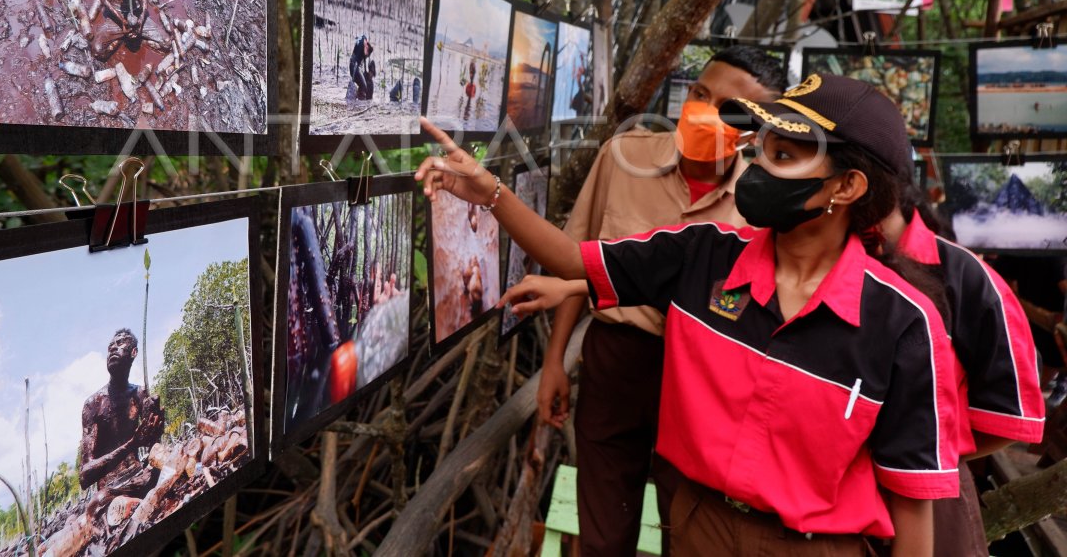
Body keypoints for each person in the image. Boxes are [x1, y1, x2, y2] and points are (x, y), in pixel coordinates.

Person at [417, 73, 961, 556]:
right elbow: (570, 258)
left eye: (787, 156)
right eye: (761, 147)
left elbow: (913, 500)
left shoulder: (904, 324)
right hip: (698, 529)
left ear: (846, 186)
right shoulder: (702, 254)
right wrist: (490, 192)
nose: (758, 166)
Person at [539, 45, 785, 556]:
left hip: (708, 380)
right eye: (699, 93)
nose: (703, 110)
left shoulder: (765, 202)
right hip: (617, 359)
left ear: (755, 128)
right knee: (604, 529)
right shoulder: (624, 157)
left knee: (690, 526)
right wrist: (555, 360)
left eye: (728, 108)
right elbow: (577, 257)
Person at [880, 182, 1044, 556]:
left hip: (933, 496)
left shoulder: (966, 277)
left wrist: (921, 453)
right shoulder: (825, 260)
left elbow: (1011, 415)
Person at [79, 329, 165, 498]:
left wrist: (156, 429)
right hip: (109, 492)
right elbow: (84, 477)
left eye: (119, 344)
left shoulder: (140, 394)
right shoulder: (93, 404)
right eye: (110, 346)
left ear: (134, 352)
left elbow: (153, 444)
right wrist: (133, 443)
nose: (112, 349)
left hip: (140, 476)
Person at [349, 35, 375, 100]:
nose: (366, 56)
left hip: (353, 65)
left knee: (362, 85)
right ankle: (359, 101)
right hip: (354, 67)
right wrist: (353, 80)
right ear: (366, 48)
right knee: (363, 86)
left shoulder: (364, 39)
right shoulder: (361, 51)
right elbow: (356, 66)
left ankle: (357, 97)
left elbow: (362, 37)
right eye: (367, 55)